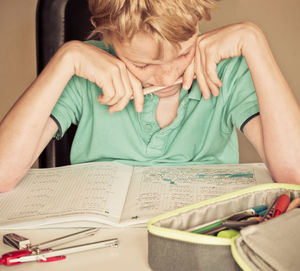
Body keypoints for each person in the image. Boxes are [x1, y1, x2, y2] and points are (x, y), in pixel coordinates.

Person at [0, 0, 300, 192]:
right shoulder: (85, 73)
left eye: (183, 54)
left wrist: (253, 40)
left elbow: (294, 173)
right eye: (142, 64)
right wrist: (66, 58)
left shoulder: (227, 70)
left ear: (197, 25)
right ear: (106, 35)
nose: (168, 77)